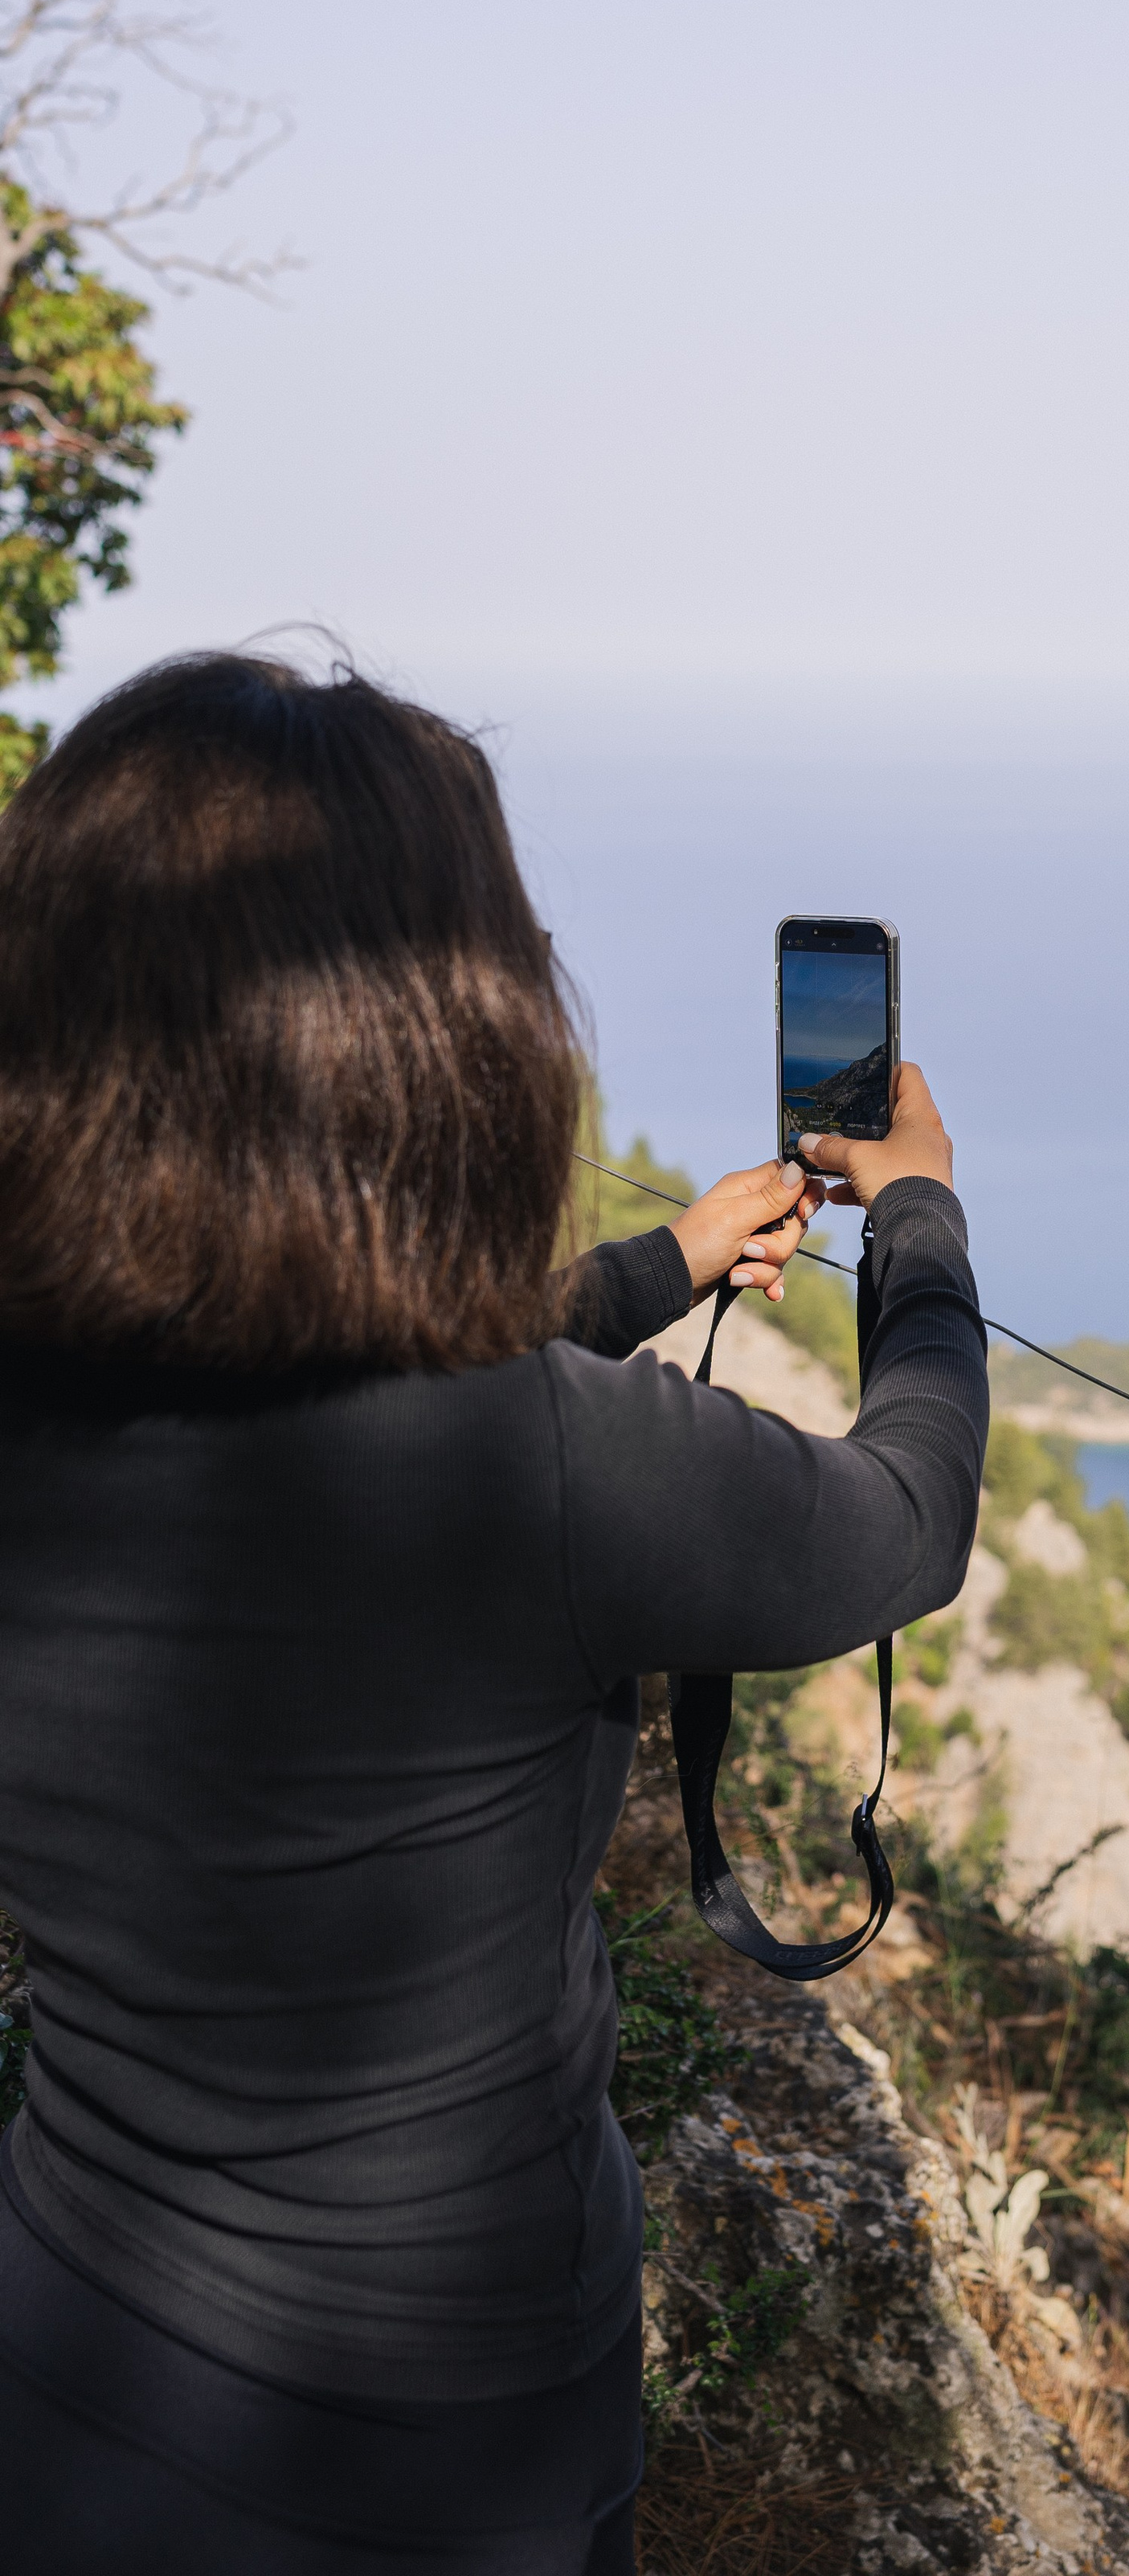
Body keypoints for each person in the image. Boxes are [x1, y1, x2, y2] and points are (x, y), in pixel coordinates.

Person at [0, 652, 988, 2574]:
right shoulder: (540, 1466)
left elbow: (308, 1366)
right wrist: (923, 1223)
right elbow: (900, 1521)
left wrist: (657, 1265)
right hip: (442, 2438)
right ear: (446, 1034)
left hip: (65, 2354)